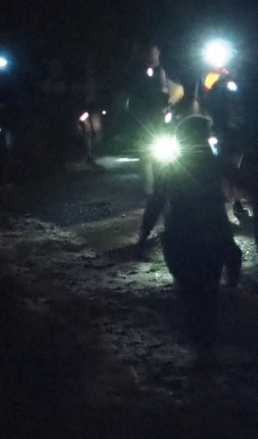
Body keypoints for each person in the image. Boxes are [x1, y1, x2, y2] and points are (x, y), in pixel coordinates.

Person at [152, 115, 242, 357]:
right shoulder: (214, 163)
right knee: (208, 290)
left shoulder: (172, 166)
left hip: (180, 235)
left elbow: (156, 201)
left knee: (189, 290)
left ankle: (199, 340)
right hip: (210, 233)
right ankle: (206, 341)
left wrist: (143, 236)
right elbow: (242, 180)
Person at [127, 45, 170, 196]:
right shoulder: (138, 72)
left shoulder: (162, 71)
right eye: (149, 52)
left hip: (159, 117)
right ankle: (149, 188)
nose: (152, 55)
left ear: (159, 53)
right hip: (143, 118)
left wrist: (166, 109)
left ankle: (162, 185)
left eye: (154, 52)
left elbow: (166, 92)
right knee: (145, 153)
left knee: (163, 153)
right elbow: (134, 95)